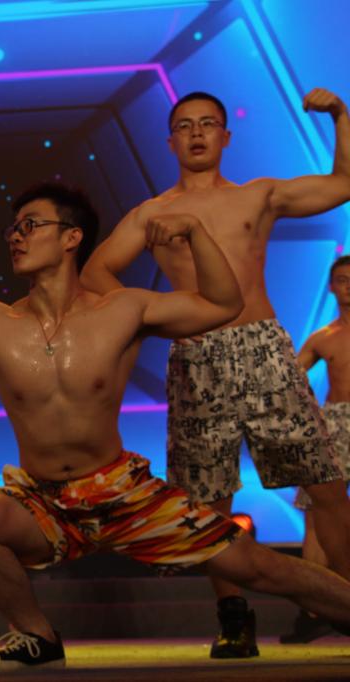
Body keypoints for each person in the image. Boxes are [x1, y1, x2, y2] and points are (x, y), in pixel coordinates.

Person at [0, 181, 350, 671]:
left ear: (71, 237)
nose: (16, 237)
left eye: (31, 225)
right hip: (44, 501)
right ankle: (37, 637)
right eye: (13, 229)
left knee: (257, 566)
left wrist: (195, 232)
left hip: (125, 494)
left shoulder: (123, 309)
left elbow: (222, 304)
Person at [80, 88, 350, 657]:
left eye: (208, 124)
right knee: (208, 502)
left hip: (264, 349)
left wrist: (341, 117)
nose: (197, 133)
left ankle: (346, 601)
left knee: (325, 485)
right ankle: (233, 619)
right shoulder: (152, 214)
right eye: (185, 125)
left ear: (226, 137)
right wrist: (158, 313)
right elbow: (95, 272)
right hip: (197, 356)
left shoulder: (258, 195)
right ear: (171, 141)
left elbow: (343, 183)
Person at [281, 254, 350, 642]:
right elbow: (288, 378)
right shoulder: (323, 337)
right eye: (342, 279)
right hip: (335, 423)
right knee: (316, 514)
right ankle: (314, 611)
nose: (349, 285)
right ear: (331, 287)